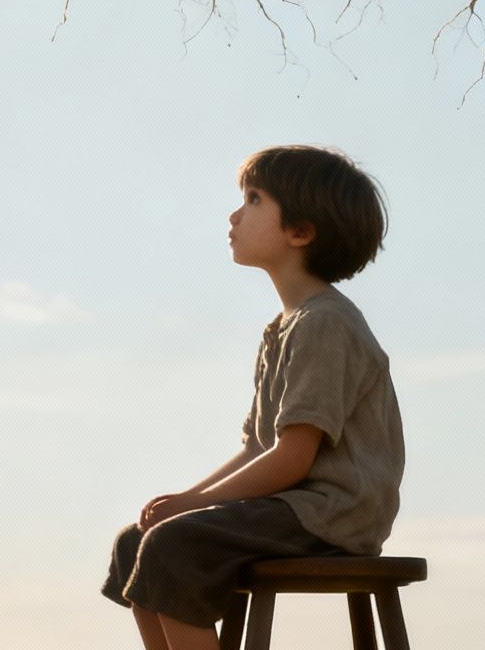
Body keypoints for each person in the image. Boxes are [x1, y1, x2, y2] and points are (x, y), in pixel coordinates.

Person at [103, 145, 404, 650]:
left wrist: (194, 505)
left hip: (334, 512)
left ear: (300, 231)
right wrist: (181, 501)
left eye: (254, 199)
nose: (235, 213)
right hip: (294, 505)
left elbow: (292, 457)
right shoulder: (284, 329)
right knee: (138, 541)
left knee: (174, 544)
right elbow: (256, 448)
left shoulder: (325, 324)